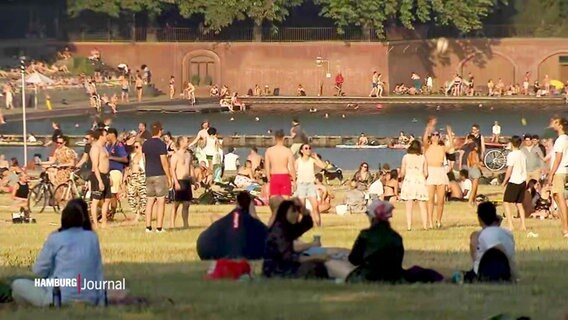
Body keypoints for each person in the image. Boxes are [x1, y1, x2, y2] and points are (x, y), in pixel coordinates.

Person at [11, 199, 106, 306]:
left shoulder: (56, 238)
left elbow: (39, 270)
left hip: (58, 299)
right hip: (89, 298)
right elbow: (98, 272)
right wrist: (101, 301)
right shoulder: (92, 237)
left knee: (17, 285)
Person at [324, 200, 404, 283]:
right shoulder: (396, 237)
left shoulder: (365, 235)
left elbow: (354, 260)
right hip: (393, 277)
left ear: (372, 216)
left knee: (331, 262)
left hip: (367, 277)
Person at [262, 199, 329, 279]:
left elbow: (305, 226)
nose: (297, 214)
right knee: (314, 265)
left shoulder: (287, 226)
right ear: (284, 212)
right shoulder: (278, 231)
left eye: (298, 211)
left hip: (284, 265)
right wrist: (314, 257)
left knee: (318, 265)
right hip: (276, 269)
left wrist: (305, 213)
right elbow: (289, 257)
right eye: (293, 211)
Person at [465, 202, 517, 283]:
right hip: (506, 272)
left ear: (479, 218)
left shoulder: (483, 235)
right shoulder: (508, 233)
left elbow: (498, 248)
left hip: (489, 272)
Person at [423, 117, 453, 228]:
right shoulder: (427, 146)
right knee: (430, 199)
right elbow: (424, 139)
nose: (435, 136)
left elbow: (451, 147)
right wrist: (429, 127)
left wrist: (449, 133)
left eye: (437, 135)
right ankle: (430, 222)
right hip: (431, 171)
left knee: (441, 200)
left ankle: (438, 221)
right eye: (434, 135)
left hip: (440, 171)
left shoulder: (442, 147)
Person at [142, 122, 172, 233]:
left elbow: (145, 159)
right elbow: (164, 162)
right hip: (159, 174)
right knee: (160, 201)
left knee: (149, 201)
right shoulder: (161, 144)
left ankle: (148, 227)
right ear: (160, 130)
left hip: (149, 174)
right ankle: (159, 227)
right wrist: (169, 177)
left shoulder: (145, 144)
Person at [294, 143, 326, 227]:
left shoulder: (312, 160)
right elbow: (293, 172)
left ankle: (318, 225)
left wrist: (316, 157)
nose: (308, 150)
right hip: (301, 185)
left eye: (309, 148)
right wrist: (294, 182)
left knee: (315, 206)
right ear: (301, 151)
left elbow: (323, 166)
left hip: (310, 185)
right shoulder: (298, 161)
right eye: (306, 148)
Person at [400, 140, 428, 230]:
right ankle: (425, 226)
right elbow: (426, 173)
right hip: (420, 180)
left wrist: (401, 178)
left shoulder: (405, 157)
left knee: (409, 206)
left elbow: (402, 172)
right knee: (422, 206)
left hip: (409, 181)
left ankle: (409, 226)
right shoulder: (423, 157)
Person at [547, 116, 568, 237]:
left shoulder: (561, 140)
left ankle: (566, 228)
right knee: (558, 199)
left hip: (559, 172)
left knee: (561, 200)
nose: (552, 124)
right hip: (563, 171)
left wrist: (551, 174)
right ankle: (564, 226)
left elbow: (558, 158)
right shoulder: (565, 139)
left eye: (555, 122)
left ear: (560, 125)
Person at [502, 136, 527, 230]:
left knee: (506, 202)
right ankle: (523, 225)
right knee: (519, 204)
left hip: (514, 181)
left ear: (512, 143)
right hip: (522, 181)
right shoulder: (522, 154)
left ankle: (510, 225)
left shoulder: (512, 155)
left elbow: (509, 170)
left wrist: (504, 181)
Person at [89, 128, 111, 229]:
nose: (107, 137)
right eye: (106, 135)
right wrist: (100, 181)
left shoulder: (104, 148)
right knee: (96, 200)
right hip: (98, 176)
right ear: (101, 136)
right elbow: (95, 165)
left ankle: (104, 222)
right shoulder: (95, 148)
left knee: (107, 200)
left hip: (106, 175)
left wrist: (108, 176)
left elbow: (107, 162)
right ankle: (96, 224)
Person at [170, 136, 194, 229]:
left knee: (186, 204)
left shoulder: (188, 155)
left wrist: (194, 181)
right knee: (176, 204)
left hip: (187, 181)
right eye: (186, 141)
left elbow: (190, 168)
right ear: (181, 143)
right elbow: (172, 169)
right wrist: (175, 182)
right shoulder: (175, 156)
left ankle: (185, 224)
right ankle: (172, 223)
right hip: (179, 180)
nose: (187, 143)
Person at [265, 130, 296, 199]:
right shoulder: (288, 151)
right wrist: (294, 181)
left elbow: (267, 167)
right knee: (285, 202)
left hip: (274, 176)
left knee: (274, 202)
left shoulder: (269, 151)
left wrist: (269, 180)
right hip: (284, 176)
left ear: (275, 138)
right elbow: (292, 167)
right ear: (284, 138)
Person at [106, 128, 128, 218]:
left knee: (113, 193)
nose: (106, 136)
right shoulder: (109, 145)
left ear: (112, 134)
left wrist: (111, 158)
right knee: (108, 193)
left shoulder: (118, 145)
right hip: (108, 171)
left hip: (116, 171)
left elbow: (125, 159)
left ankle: (112, 213)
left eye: (108, 134)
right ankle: (107, 212)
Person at [125, 139, 146, 221]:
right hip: (133, 176)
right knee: (131, 196)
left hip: (142, 175)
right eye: (134, 147)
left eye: (137, 147)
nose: (135, 149)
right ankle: (137, 212)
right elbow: (130, 165)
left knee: (143, 197)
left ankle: (140, 214)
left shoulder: (144, 156)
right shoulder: (132, 155)